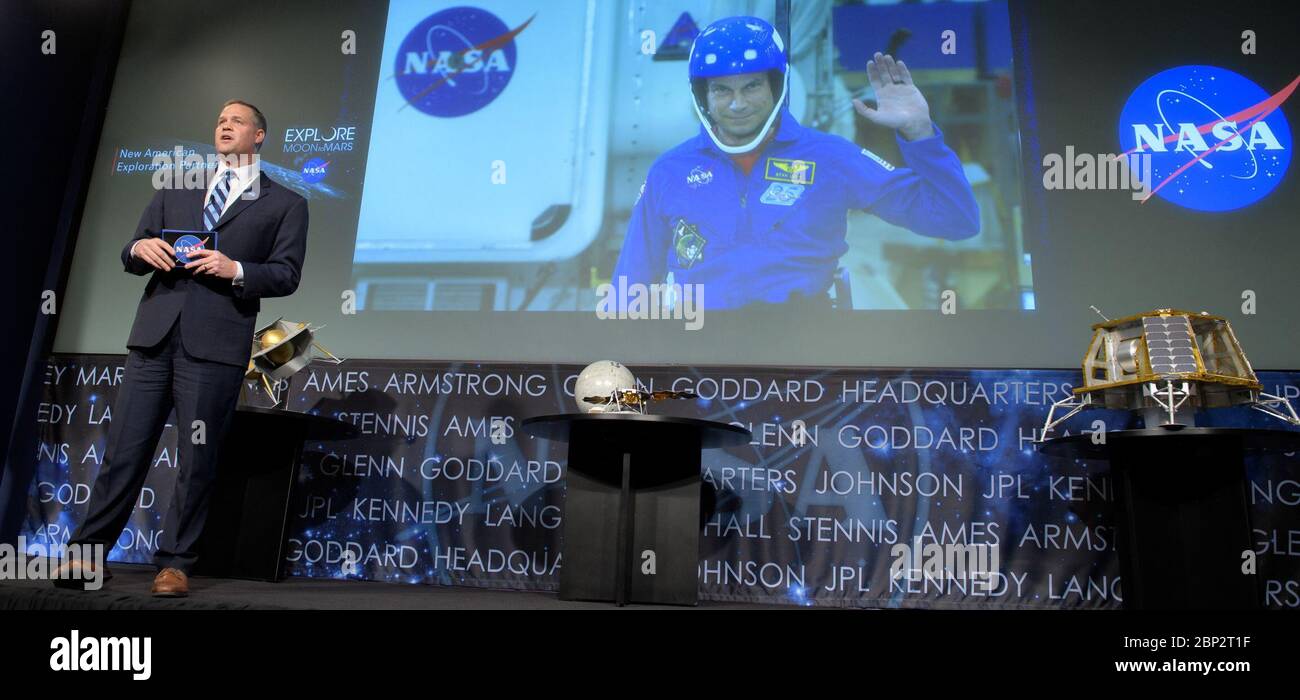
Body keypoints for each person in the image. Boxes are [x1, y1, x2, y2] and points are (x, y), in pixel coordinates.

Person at [56, 99, 308, 596]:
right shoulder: (177, 188)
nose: (225, 125)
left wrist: (234, 268)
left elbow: (286, 274)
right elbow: (132, 249)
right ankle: (86, 556)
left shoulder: (285, 203)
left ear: (259, 136)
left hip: (215, 346)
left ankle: (175, 564)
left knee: (197, 458)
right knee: (124, 453)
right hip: (154, 339)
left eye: (237, 121)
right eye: (220, 120)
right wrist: (137, 249)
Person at [613, 16, 980, 310]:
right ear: (703, 95)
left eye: (751, 87)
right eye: (722, 90)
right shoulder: (669, 171)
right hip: (702, 362)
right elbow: (629, 289)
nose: (737, 104)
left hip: (806, 364)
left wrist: (919, 132)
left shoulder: (831, 158)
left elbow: (955, 218)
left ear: (777, 87)